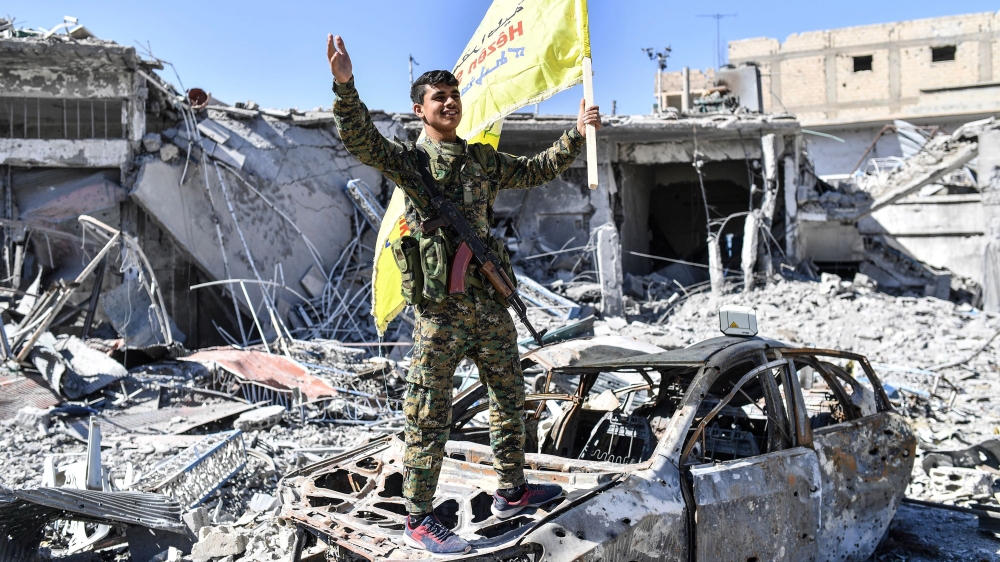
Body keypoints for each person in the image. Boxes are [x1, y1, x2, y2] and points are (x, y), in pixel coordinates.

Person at [327, 34, 601, 554]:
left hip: (488, 304)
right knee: (429, 410)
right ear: (420, 110)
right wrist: (345, 85)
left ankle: (512, 491)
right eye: (439, 97)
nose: (450, 102)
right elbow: (361, 139)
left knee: (510, 398)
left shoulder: (482, 160)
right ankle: (418, 518)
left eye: (454, 95)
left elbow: (537, 170)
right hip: (440, 313)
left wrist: (577, 135)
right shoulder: (410, 163)